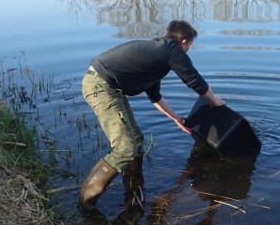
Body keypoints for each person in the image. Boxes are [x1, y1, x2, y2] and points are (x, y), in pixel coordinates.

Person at [79, 20, 225, 212]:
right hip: (101, 86)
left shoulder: (158, 55)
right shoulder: (172, 50)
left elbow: (154, 95)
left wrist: (175, 118)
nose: (188, 50)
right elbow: (194, 80)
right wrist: (214, 101)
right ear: (183, 42)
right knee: (125, 149)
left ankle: (133, 191)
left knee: (136, 141)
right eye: (190, 45)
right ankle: (85, 202)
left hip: (109, 86)